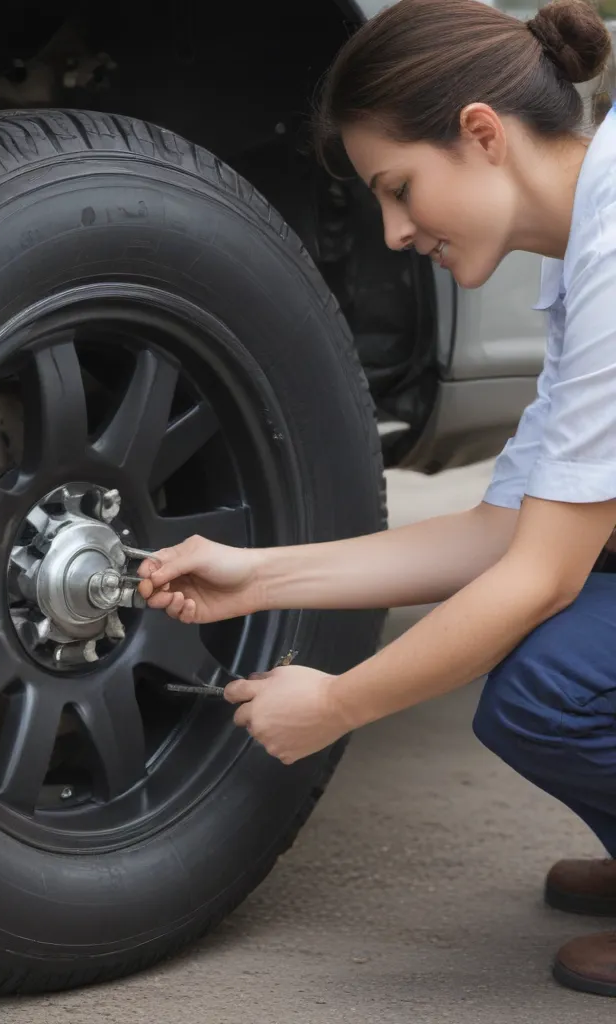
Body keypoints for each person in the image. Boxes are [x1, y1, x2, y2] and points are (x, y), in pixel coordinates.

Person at [136, 0, 616, 998]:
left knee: (548, 683)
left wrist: (339, 704)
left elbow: (534, 577)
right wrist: (257, 578)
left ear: (482, 134)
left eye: (399, 189)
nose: (395, 233)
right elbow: (498, 532)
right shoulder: (580, 259)